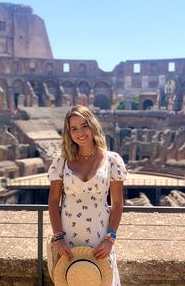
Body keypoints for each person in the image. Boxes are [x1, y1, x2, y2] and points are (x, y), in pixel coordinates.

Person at [48, 105, 127, 286]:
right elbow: (53, 201)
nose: (80, 133)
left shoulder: (112, 160)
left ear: (92, 125)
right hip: (68, 239)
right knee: (74, 279)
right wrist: (58, 238)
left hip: (100, 238)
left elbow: (117, 203)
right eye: (73, 129)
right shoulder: (61, 161)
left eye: (84, 126)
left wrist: (110, 239)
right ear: (68, 133)